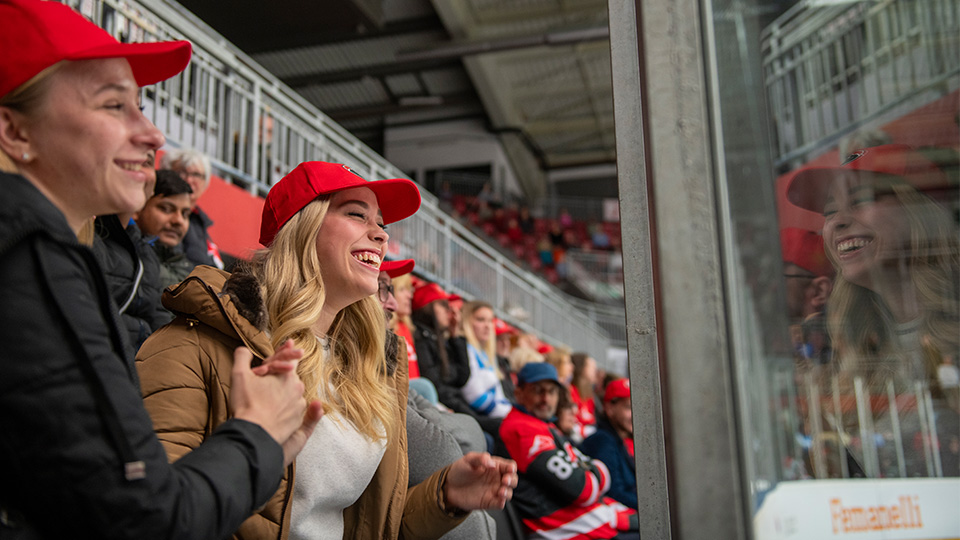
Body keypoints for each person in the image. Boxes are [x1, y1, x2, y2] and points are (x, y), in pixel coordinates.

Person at [0, 1, 319, 537]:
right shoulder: (29, 259)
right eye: (113, 106)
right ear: (15, 132)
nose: (152, 135)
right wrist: (255, 435)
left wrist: (261, 449)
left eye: (142, 107)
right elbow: (140, 521)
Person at [137, 161, 517, 540]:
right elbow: (155, 512)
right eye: (357, 215)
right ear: (303, 228)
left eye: (381, 225)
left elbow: (366, 526)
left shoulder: (371, 368)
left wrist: (444, 497)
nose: (381, 236)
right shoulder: (194, 344)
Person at [787, 144, 960, 478]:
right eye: (829, 212)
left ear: (919, 210)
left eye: (862, 200)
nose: (837, 223)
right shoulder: (852, 354)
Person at [377, 259, 497, 540]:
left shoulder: (413, 341)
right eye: (384, 289)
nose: (396, 301)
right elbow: (452, 386)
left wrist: (455, 337)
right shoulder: (411, 337)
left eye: (397, 289)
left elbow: (456, 378)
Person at [498, 363, 637, 540]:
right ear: (519, 393)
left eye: (552, 392)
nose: (545, 398)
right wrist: (597, 471)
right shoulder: (522, 430)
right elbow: (584, 489)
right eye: (537, 390)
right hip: (568, 531)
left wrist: (593, 472)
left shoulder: (542, 425)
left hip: (593, 523)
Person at [160, 147, 223, 268]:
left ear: (205, 181)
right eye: (181, 173)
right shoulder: (153, 210)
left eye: (196, 174)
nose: (189, 180)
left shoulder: (199, 222)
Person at [451, 300, 513, 420]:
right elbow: (474, 395)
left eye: (490, 321)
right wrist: (508, 416)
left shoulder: (487, 354)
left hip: (496, 415)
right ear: (467, 322)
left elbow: (500, 397)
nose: (487, 325)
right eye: (480, 320)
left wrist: (511, 413)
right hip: (478, 418)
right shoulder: (465, 349)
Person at [581, 379, 637, 510]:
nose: (635, 415)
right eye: (629, 407)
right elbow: (615, 494)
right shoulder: (602, 441)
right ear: (609, 408)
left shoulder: (617, 438)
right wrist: (651, 507)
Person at [134, 169, 195, 288]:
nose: (178, 221)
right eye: (166, 209)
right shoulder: (123, 259)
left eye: (185, 214)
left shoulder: (188, 270)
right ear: (139, 206)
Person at [570, 352, 599, 442]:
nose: (595, 371)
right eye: (592, 367)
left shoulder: (589, 394)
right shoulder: (571, 391)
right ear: (581, 368)